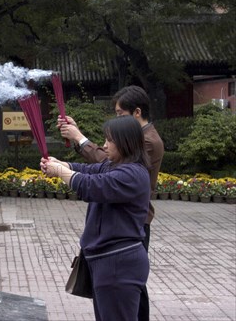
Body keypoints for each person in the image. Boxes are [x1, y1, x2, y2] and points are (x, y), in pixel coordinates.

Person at [58, 85, 163, 321]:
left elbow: (93, 184)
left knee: (126, 307)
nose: (105, 145)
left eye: (119, 115)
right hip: (109, 255)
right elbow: (93, 169)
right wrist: (65, 165)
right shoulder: (119, 162)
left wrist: (68, 158)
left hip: (120, 252)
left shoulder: (135, 164)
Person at [42, 116, 150, 321]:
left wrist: (60, 172)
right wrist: (60, 164)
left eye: (109, 141)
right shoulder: (113, 165)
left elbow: (91, 186)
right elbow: (86, 170)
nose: (104, 145)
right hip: (106, 261)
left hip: (119, 263)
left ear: (126, 142)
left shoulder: (133, 174)